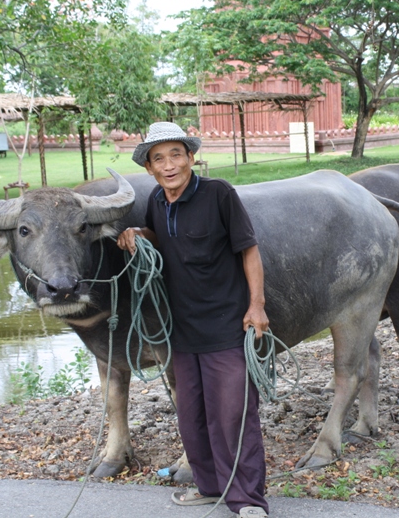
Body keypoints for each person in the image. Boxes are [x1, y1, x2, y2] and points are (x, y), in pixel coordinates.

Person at [116, 122, 270, 518]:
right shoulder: (156, 200)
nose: (169, 165)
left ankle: (248, 499)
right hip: (181, 331)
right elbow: (162, 234)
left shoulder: (219, 194)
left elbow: (248, 250)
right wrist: (138, 232)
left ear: (190, 157)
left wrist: (257, 306)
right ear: (149, 168)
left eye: (176, 155)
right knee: (193, 417)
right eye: (159, 159)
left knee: (233, 415)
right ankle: (210, 486)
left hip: (226, 328)